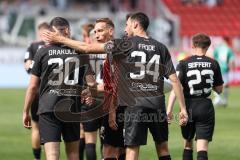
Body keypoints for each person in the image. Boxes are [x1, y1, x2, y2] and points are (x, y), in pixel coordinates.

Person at [42, 12, 188, 160]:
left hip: (134, 104)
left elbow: (86, 48)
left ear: (135, 25)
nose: (125, 28)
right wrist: (182, 108)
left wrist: (59, 38)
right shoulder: (161, 47)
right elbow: (175, 80)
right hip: (157, 104)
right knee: (163, 148)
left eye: (127, 24)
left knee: (131, 149)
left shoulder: (123, 44)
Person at [22, 17, 95, 160]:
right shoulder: (79, 51)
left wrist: (25, 111)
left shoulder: (42, 51)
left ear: (51, 31)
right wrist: (88, 93)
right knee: (73, 155)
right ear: (67, 30)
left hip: (49, 108)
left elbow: (32, 86)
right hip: (71, 108)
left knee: (52, 155)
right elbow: (91, 83)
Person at [167, 33, 224, 160]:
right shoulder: (214, 63)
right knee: (202, 147)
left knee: (188, 143)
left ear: (192, 45)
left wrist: (169, 109)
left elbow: (177, 88)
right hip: (205, 106)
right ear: (208, 47)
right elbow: (220, 90)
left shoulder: (183, 63)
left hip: (187, 106)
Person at [24, 22, 50, 160]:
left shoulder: (33, 46)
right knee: (49, 131)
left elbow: (27, 67)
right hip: (52, 93)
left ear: (40, 32)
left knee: (36, 128)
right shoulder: (56, 47)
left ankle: (37, 158)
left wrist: (35, 67)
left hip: (36, 91)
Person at [212, 36, 235, 107]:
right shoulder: (229, 49)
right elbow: (231, 61)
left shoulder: (217, 49)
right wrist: (232, 68)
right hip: (225, 69)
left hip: (217, 68)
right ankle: (224, 100)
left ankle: (218, 99)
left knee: (216, 83)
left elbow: (213, 58)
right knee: (226, 85)